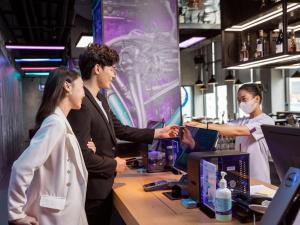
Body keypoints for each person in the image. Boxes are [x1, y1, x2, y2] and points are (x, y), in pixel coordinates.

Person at [67, 43, 179, 225]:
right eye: (111, 69)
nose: (114, 74)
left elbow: (121, 130)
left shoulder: (100, 99)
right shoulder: (82, 104)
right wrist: (113, 164)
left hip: (104, 186)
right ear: (97, 68)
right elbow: (81, 156)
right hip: (92, 193)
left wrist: (159, 132)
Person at [8, 67, 96, 225]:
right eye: (81, 87)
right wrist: (16, 214)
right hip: (57, 216)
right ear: (67, 86)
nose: (84, 93)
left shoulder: (59, 121)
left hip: (64, 212)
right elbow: (21, 167)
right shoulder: (55, 123)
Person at [185, 83, 274, 183]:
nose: (241, 103)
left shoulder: (266, 121)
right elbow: (223, 127)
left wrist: (203, 126)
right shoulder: (242, 121)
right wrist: (199, 125)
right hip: (242, 176)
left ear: (257, 99)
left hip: (259, 177)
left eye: (244, 99)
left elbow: (238, 131)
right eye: (239, 101)